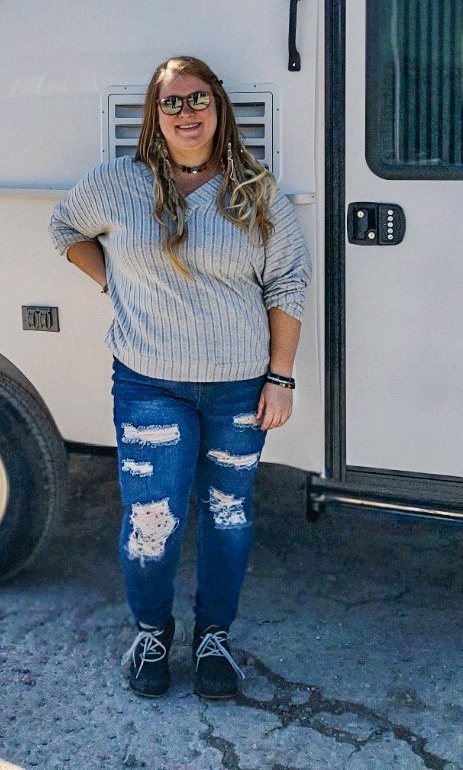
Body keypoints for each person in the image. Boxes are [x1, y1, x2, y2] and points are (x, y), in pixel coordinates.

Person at [48, 54, 309, 700]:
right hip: (148, 382)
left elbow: (288, 282)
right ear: (152, 116)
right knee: (152, 518)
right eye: (172, 102)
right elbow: (62, 227)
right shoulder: (117, 183)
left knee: (226, 513)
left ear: (219, 110)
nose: (186, 113)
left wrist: (281, 378)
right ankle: (152, 634)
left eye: (198, 100)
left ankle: (214, 637)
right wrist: (113, 279)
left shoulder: (255, 190)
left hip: (239, 388)